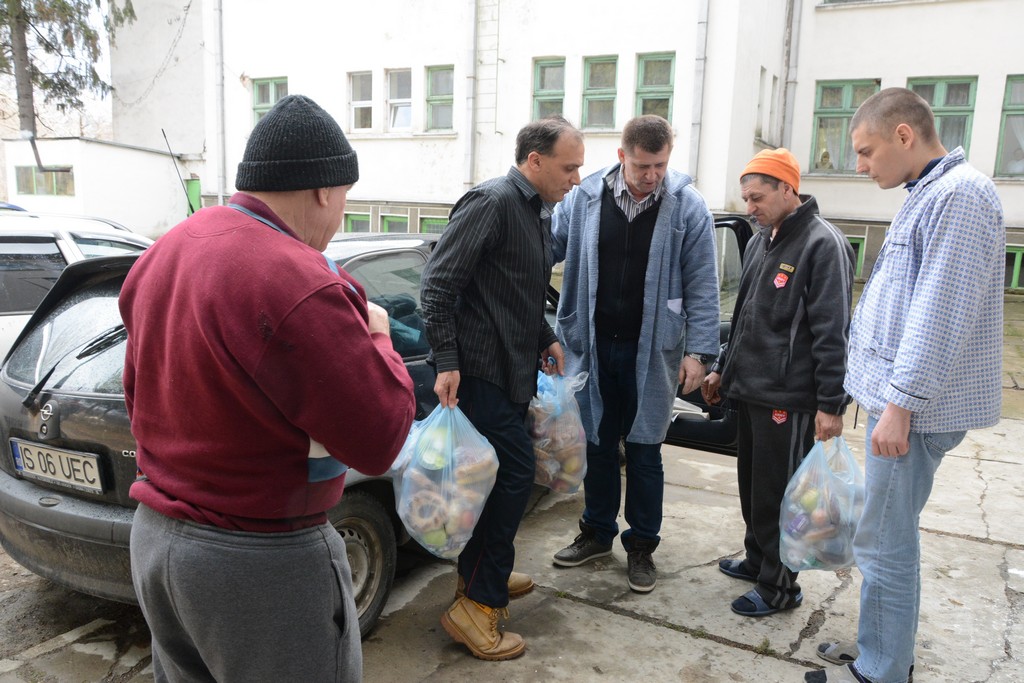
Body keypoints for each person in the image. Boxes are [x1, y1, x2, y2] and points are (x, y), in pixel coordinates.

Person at [120, 95, 416, 682]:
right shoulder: (297, 280)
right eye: (345, 197)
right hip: (258, 566)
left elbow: (141, 390)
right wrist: (381, 338)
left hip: (157, 541)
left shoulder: (170, 248)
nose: (340, 215)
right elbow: (381, 437)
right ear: (325, 189)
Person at [808, 88, 1005, 683]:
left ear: (903, 135)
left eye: (866, 151)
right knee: (886, 535)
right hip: (903, 404)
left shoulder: (959, 195)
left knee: (883, 542)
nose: (859, 166)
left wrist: (901, 405)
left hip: (914, 412)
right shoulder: (930, 191)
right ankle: (884, 650)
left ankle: (881, 670)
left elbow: (938, 313)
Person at [419, 115, 583, 661]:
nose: (576, 179)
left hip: (514, 370)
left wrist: (545, 336)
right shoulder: (491, 202)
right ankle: (478, 604)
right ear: (534, 160)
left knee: (497, 482)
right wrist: (446, 360)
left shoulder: (537, 212)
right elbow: (438, 285)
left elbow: (519, 291)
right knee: (513, 474)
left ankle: (482, 574)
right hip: (480, 373)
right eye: (568, 167)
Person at [548, 115, 720, 593]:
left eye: (660, 165)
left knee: (645, 449)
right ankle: (597, 532)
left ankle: (641, 546)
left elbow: (703, 284)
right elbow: (544, 248)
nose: (652, 175)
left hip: (653, 349)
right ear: (622, 156)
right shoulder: (584, 199)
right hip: (592, 345)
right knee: (597, 443)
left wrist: (700, 353)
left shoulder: (687, 207)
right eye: (643, 165)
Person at [701, 148, 854, 618]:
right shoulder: (759, 241)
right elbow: (744, 318)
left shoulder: (823, 244)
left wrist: (831, 403)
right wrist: (722, 369)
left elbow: (833, 332)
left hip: (790, 396)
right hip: (751, 390)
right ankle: (758, 560)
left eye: (757, 198)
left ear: (788, 189)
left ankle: (779, 587)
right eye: (746, 199)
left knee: (781, 494)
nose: (750, 208)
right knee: (753, 488)